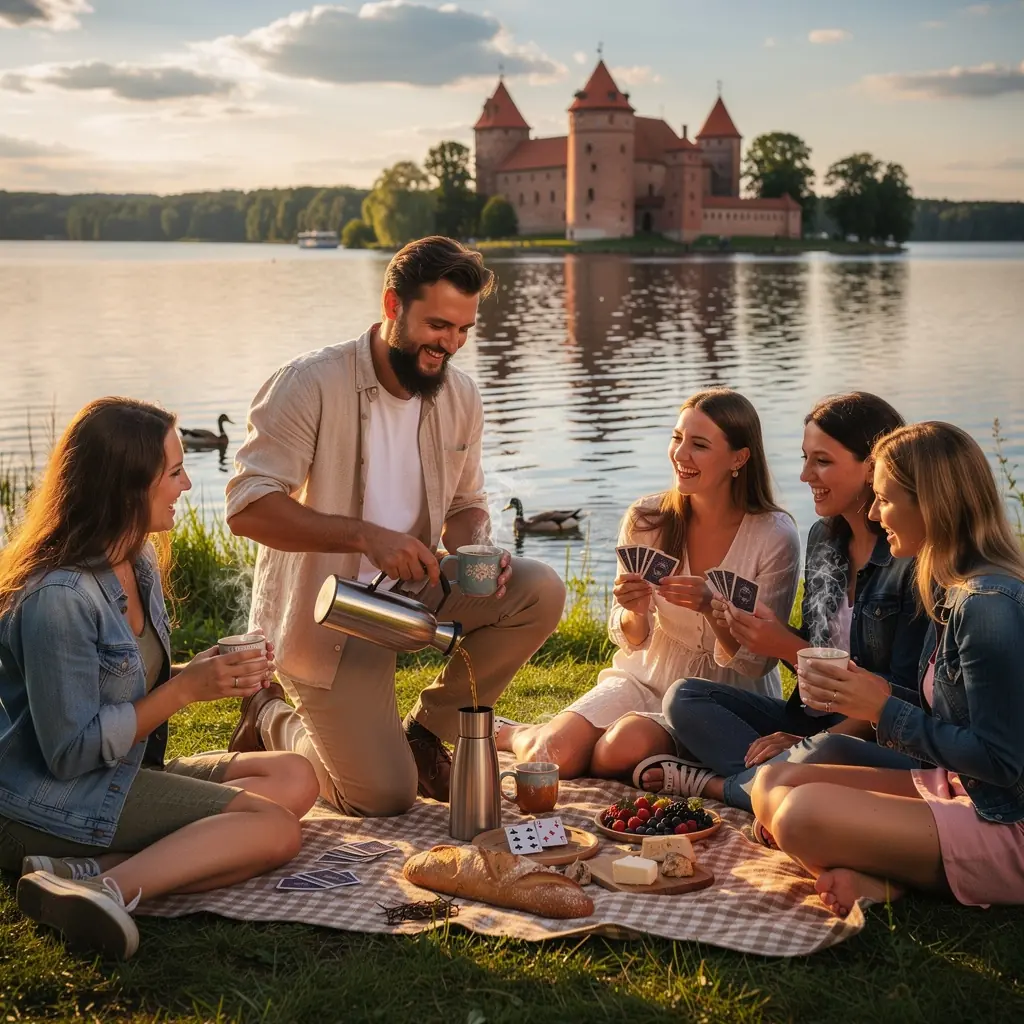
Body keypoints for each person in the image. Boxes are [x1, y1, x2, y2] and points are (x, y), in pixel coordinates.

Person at [224, 236, 565, 816]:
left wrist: (478, 550)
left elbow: (465, 504)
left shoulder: (460, 395)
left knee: (540, 591)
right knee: (382, 797)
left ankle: (428, 733)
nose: (450, 344)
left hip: (413, 591)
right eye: (438, 326)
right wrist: (365, 537)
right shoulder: (308, 383)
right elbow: (246, 507)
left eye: (463, 330)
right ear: (392, 306)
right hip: (326, 615)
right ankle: (269, 715)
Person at [1, 399, 319, 959]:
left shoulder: (137, 560)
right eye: (173, 473)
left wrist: (202, 673)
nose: (186, 484)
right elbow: (70, 753)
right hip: (50, 802)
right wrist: (184, 690)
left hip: (121, 773)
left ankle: (84, 870)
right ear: (126, 488)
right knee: (275, 830)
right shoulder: (59, 598)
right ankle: (104, 891)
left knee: (296, 776)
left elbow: (118, 681)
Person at [751, 421, 1024, 916]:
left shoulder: (987, 606)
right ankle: (888, 869)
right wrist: (873, 692)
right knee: (773, 783)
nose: (874, 514)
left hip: (1007, 818)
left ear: (932, 504)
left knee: (798, 817)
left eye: (883, 499)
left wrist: (882, 709)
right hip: (963, 787)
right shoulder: (949, 585)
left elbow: (1002, 760)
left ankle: (895, 880)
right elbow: (953, 715)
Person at [498, 389, 800, 780]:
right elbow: (630, 637)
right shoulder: (646, 518)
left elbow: (757, 661)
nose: (680, 454)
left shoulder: (774, 536)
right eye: (677, 438)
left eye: (699, 445)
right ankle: (519, 733)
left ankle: (613, 748)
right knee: (551, 754)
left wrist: (712, 609)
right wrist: (635, 611)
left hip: (721, 694)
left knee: (616, 751)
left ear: (739, 458)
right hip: (647, 672)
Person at [653, 393, 928, 810]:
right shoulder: (824, 538)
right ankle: (779, 782)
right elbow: (819, 656)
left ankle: (724, 787)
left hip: (874, 736)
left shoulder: (910, 556)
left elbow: (901, 697)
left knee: (820, 753)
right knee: (685, 697)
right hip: (812, 720)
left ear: (873, 467)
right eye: (805, 458)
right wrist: (770, 637)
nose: (804, 475)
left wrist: (785, 650)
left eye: (822, 461)